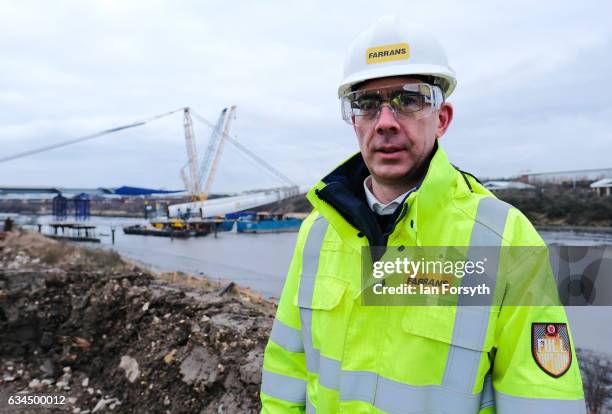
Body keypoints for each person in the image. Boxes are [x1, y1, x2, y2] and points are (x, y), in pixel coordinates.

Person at [260, 16, 585, 414]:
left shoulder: (503, 239)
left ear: (442, 118)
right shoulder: (316, 232)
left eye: (409, 99)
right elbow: (285, 376)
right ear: (354, 120)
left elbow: (541, 401)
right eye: (365, 103)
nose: (385, 123)